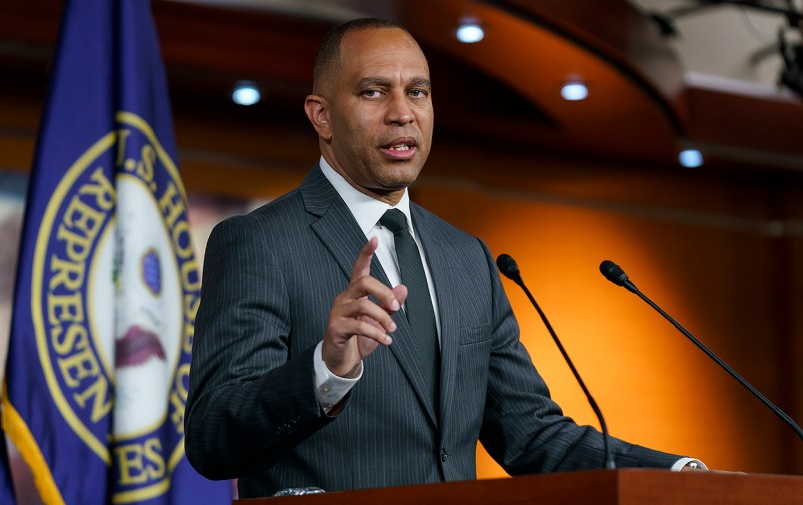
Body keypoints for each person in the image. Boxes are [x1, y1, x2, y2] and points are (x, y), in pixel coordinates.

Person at [184, 17, 703, 499]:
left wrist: (682, 477)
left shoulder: (467, 258)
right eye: (373, 92)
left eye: (418, 92)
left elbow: (532, 435)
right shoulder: (258, 242)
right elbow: (212, 437)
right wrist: (327, 368)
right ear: (322, 116)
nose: (402, 112)